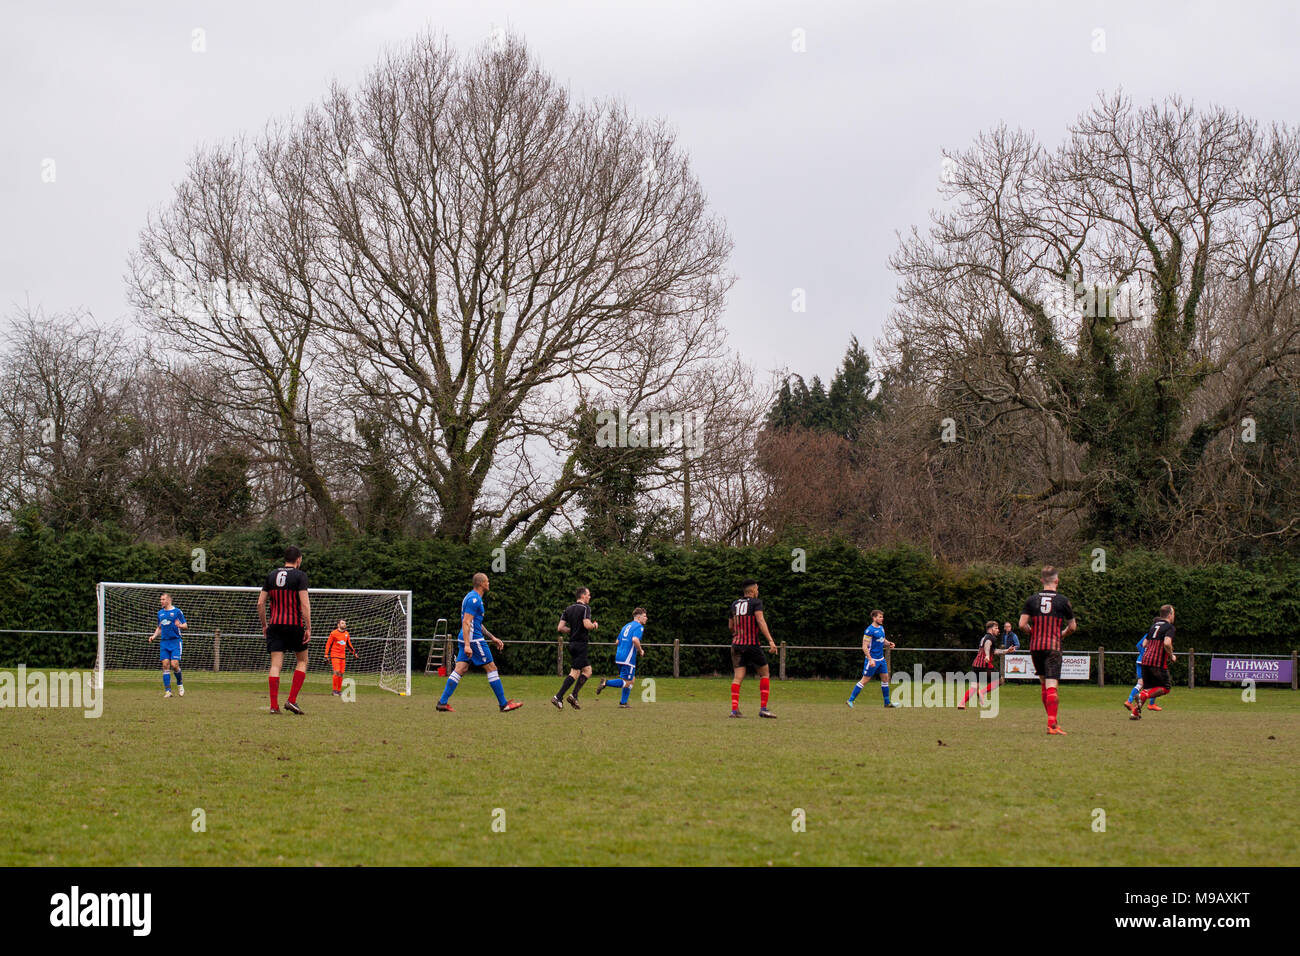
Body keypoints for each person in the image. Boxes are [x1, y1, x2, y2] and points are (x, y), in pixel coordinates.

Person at [436, 573, 522, 713]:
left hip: (467, 638)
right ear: (481, 583)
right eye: (487, 581)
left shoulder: (471, 597)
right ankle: (503, 704)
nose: (489, 583)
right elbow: (466, 622)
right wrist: (469, 645)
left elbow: (476, 623)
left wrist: (492, 637)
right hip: (474, 640)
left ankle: (442, 702)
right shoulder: (474, 600)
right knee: (491, 667)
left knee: (460, 669)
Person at [1018, 566, 1077, 735]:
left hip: (1036, 647)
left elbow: (1022, 624)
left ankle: (1052, 721)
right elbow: (1072, 627)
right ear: (1057, 580)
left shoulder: (1031, 600)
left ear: (1042, 580)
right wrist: (1062, 634)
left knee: (1044, 684)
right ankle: (1052, 724)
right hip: (1053, 646)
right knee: (1052, 686)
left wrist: (1033, 632)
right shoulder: (1063, 601)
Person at [257, 546, 311, 715]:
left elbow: (260, 603)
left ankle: (274, 706)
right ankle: (292, 700)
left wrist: (265, 625)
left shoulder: (271, 575)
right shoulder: (300, 576)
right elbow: (304, 605)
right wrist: (308, 627)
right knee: (302, 661)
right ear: (299, 559)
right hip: (294, 625)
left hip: (275, 625)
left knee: (275, 665)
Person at [729, 579, 778, 718]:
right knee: (765, 673)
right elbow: (760, 620)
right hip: (751, 644)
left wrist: (738, 634)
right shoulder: (756, 603)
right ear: (751, 590)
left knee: (738, 677)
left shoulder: (734, 604)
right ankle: (763, 709)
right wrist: (770, 641)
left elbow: (730, 626)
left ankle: (734, 710)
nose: (758, 591)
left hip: (736, 644)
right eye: (757, 589)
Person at [552, 587, 599, 710]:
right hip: (581, 645)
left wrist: (572, 630)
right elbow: (587, 625)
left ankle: (574, 695)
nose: (590, 597)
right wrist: (594, 625)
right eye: (588, 594)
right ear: (583, 596)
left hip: (572, 644)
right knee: (575, 672)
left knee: (588, 670)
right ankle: (558, 696)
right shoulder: (585, 608)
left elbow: (560, 628)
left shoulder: (568, 609)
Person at [1126, 606, 1175, 719]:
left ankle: (1135, 713)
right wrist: (1171, 655)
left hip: (1145, 660)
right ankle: (1144, 695)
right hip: (1157, 662)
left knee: (1148, 687)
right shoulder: (1169, 627)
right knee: (1165, 688)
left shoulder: (1153, 626)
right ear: (1170, 614)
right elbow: (1167, 643)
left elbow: (1144, 644)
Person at [847, 609, 898, 709]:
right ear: (874, 618)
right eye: (879, 617)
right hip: (872, 659)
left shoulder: (881, 628)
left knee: (885, 679)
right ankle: (850, 700)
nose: (882, 618)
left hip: (881, 659)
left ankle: (887, 703)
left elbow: (882, 640)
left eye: (882, 617)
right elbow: (864, 646)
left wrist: (888, 643)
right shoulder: (869, 630)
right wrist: (870, 659)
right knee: (865, 680)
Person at [598, 608, 647, 708]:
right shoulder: (639, 626)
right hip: (628, 658)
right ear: (639, 617)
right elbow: (635, 639)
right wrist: (640, 650)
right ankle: (605, 683)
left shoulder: (626, 626)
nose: (646, 618)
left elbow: (617, 642)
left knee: (631, 679)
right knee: (627, 682)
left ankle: (623, 702)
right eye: (645, 616)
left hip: (619, 656)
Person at [958, 620, 1010, 709]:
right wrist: (987, 655)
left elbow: (994, 651)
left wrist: (1007, 651)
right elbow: (987, 645)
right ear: (990, 629)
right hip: (984, 665)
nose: (998, 630)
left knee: (974, 687)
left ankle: (961, 703)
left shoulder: (985, 637)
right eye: (996, 628)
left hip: (976, 665)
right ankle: (982, 692)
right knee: (1000, 680)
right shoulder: (991, 638)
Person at [148, 592, 187, 698]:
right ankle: (168, 691)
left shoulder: (177, 611)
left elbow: (185, 625)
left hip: (175, 642)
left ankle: (180, 684)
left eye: (163, 599)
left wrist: (180, 625)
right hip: (164, 642)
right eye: (161, 599)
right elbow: (159, 627)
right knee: (165, 665)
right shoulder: (160, 613)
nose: (161, 601)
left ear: (169, 600)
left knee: (175, 665)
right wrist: (153, 636)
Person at [325, 619, 358, 697]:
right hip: (334, 655)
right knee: (336, 671)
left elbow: (349, 645)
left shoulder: (347, 634)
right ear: (338, 625)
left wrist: (354, 653)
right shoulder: (333, 633)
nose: (344, 624)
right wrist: (326, 655)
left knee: (341, 673)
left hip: (342, 656)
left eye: (345, 623)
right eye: (342, 623)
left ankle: (339, 691)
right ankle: (334, 691)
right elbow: (328, 644)